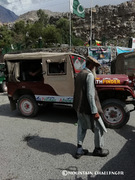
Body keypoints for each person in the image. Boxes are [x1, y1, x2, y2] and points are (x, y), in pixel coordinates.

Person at [73, 56, 109, 159]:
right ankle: (98, 149)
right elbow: (90, 95)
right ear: (91, 65)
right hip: (88, 108)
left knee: (81, 127)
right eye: (95, 67)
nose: (96, 69)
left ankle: (79, 150)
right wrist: (95, 111)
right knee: (99, 129)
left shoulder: (79, 74)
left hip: (79, 106)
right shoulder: (89, 75)